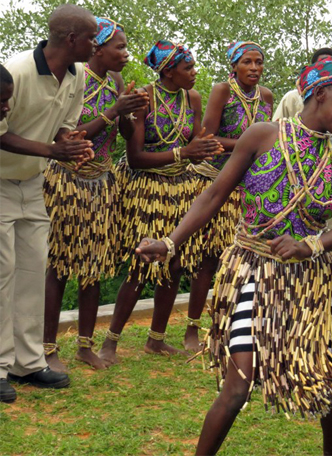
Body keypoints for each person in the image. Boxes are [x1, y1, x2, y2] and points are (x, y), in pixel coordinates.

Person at [136, 57, 332, 455]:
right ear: (319, 93)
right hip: (253, 272)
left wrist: (310, 246)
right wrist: (170, 241)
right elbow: (214, 195)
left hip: (312, 280)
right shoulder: (263, 135)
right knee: (238, 384)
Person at [97, 40, 222, 366]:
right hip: (147, 189)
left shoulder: (191, 98)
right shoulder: (145, 99)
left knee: (175, 263)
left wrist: (206, 146)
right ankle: (110, 342)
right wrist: (185, 153)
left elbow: (194, 139)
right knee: (142, 265)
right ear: (168, 71)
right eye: (188, 68)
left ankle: (156, 339)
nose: (195, 73)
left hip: (179, 188)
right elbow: (136, 157)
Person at [0, 4, 96, 403]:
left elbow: (64, 128)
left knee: (31, 270)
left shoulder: (77, 75)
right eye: (92, 37)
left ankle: (28, 362)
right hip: (1, 182)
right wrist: (51, 151)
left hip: (32, 181)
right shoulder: (17, 71)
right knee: (2, 275)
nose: (96, 43)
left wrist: (71, 145)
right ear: (71, 38)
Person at [42, 17, 149, 372]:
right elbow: (68, 137)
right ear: (97, 48)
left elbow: (122, 131)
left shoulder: (115, 80)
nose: (125, 53)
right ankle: (48, 347)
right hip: (67, 182)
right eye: (119, 47)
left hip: (101, 183)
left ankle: (85, 346)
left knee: (94, 267)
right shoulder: (77, 79)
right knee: (58, 266)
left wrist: (132, 112)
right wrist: (112, 110)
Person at [184, 41, 273, 352]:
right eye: (247, 62)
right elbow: (207, 138)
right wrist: (248, 145)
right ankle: (192, 330)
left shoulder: (267, 97)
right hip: (219, 182)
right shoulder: (223, 90)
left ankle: (234, 327)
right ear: (234, 66)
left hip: (249, 189)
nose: (254, 68)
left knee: (242, 261)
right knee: (208, 260)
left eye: (259, 62)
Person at [273, 48, 332, 149]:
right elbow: (275, 130)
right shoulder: (291, 98)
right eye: (322, 65)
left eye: (330, 65)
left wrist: (325, 153)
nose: (326, 69)